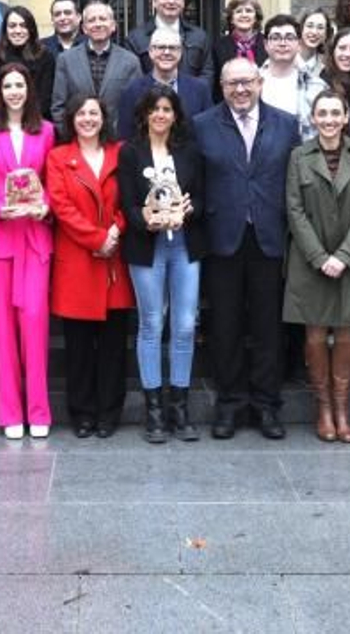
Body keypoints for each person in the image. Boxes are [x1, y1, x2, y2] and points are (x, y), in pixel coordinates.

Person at [193, 57, 300, 440]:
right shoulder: (202, 125)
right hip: (222, 238)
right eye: (232, 83)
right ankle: (230, 404)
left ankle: (267, 405)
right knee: (225, 326)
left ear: (259, 83)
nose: (240, 89)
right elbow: (195, 180)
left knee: (268, 327)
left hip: (269, 237)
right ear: (221, 87)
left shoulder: (286, 124)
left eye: (247, 82)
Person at [0, 64, 56, 438]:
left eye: (20, 84)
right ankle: (10, 413)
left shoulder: (46, 130)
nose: (14, 91)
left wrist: (44, 205)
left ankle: (38, 410)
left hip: (34, 235)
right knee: (2, 329)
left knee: (35, 323)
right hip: (1, 234)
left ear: (29, 90)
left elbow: (52, 180)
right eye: (8, 85)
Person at [283, 91, 350, 443]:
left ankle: (342, 409)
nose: (329, 120)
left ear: (346, 117)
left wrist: (344, 255)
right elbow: (294, 210)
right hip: (311, 260)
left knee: (347, 334)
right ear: (313, 118)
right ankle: (323, 409)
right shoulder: (298, 156)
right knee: (316, 334)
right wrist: (320, 257)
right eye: (322, 113)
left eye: (336, 113)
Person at [119, 85, 207, 443]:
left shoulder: (189, 151)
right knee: (151, 323)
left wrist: (189, 209)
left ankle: (179, 408)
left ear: (175, 115)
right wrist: (145, 219)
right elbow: (127, 204)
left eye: (167, 109)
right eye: (154, 109)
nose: (160, 115)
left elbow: (202, 199)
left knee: (184, 325)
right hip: (147, 247)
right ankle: (154, 409)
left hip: (184, 246)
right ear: (144, 114)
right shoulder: (130, 152)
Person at [46, 95, 134, 439]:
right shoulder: (58, 157)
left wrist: (116, 230)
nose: (87, 119)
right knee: (79, 347)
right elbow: (61, 206)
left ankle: (109, 412)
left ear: (103, 118)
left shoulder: (120, 152)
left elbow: (134, 197)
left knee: (113, 346)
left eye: (93, 113)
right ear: (71, 119)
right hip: (78, 260)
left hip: (114, 260)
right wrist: (97, 238)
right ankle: (82, 413)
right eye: (81, 113)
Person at [51, 1, 142, 133]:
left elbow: (137, 105)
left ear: (113, 26)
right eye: (91, 20)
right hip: (77, 138)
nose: (98, 24)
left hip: (117, 140)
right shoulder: (66, 60)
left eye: (103, 19)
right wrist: (69, 135)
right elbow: (58, 107)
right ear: (84, 28)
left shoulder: (130, 61)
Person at [116, 26, 211, 139]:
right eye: (161, 47)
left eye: (172, 48)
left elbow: (208, 132)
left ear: (180, 52)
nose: (166, 52)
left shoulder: (200, 89)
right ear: (150, 51)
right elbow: (126, 136)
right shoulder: (132, 91)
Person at [125, 0, 212, 82]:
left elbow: (207, 74)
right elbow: (134, 78)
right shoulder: (135, 39)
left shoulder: (199, 37)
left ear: (183, 2)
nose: (171, 1)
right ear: (154, 1)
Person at [258, 14, 326, 139]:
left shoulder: (317, 87)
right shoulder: (252, 83)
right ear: (266, 44)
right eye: (275, 38)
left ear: (298, 44)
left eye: (289, 37)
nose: (283, 43)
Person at [0, 5, 57, 118]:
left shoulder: (45, 57)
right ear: (5, 30)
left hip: (37, 120)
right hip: (4, 120)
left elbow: (45, 98)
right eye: (12, 26)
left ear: (31, 29)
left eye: (23, 26)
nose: (18, 31)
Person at [210, 0, 266, 101]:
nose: (244, 15)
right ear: (231, 19)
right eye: (239, 11)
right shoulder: (218, 47)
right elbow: (216, 83)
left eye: (249, 11)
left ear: (256, 17)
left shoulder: (267, 43)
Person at [296, 8, 334, 77]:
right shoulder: (284, 59)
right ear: (301, 29)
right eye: (309, 26)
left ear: (326, 34)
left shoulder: (328, 67)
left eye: (320, 28)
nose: (314, 32)